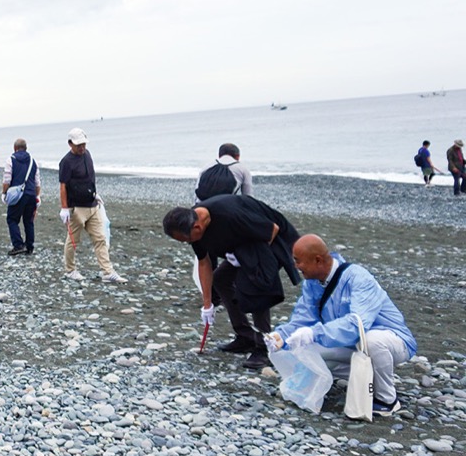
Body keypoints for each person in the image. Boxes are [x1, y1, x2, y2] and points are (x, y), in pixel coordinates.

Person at [267, 234, 416, 417]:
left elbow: (357, 325)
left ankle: (387, 399)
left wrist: (314, 333)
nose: (296, 266)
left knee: (372, 341)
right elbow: (303, 319)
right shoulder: (312, 283)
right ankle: (361, 380)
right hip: (351, 344)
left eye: (298, 261)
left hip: (393, 340)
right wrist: (281, 336)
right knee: (304, 348)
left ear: (318, 260)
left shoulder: (358, 277)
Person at [162, 194, 301, 370]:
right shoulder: (193, 227)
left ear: (197, 227)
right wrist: (207, 304)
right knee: (220, 279)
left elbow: (271, 230)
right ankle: (245, 336)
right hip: (242, 248)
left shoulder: (231, 215)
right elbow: (204, 262)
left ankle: (263, 346)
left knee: (255, 286)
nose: (187, 243)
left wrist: (246, 257)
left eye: (186, 240)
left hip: (273, 241)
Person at [192, 142, 258, 354]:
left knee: (208, 262)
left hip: (202, 225)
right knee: (236, 270)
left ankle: (212, 299)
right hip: (230, 225)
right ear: (237, 156)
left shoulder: (205, 168)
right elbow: (248, 201)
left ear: (219, 155)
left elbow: (196, 198)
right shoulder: (242, 169)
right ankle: (251, 336)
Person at [59, 128, 126, 284]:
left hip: (92, 204)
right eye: (78, 145)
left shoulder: (87, 155)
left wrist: (95, 194)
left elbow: (90, 177)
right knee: (73, 240)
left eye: (83, 144)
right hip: (77, 207)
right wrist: (64, 208)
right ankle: (70, 270)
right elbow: (63, 186)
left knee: (100, 238)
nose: (82, 148)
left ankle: (107, 272)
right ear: (70, 144)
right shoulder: (66, 162)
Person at [2, 139, 40, 255]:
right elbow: (37, 182)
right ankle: (29, 246)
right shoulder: (33, 161)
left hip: (17, 195)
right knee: (29, 221)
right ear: (26, 148)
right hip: (31, 194)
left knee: (12, 219)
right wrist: (37, 196)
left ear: (15, 148)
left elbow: (6, 180)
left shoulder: (11, 160)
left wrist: (4, 193)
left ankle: (18, 245)